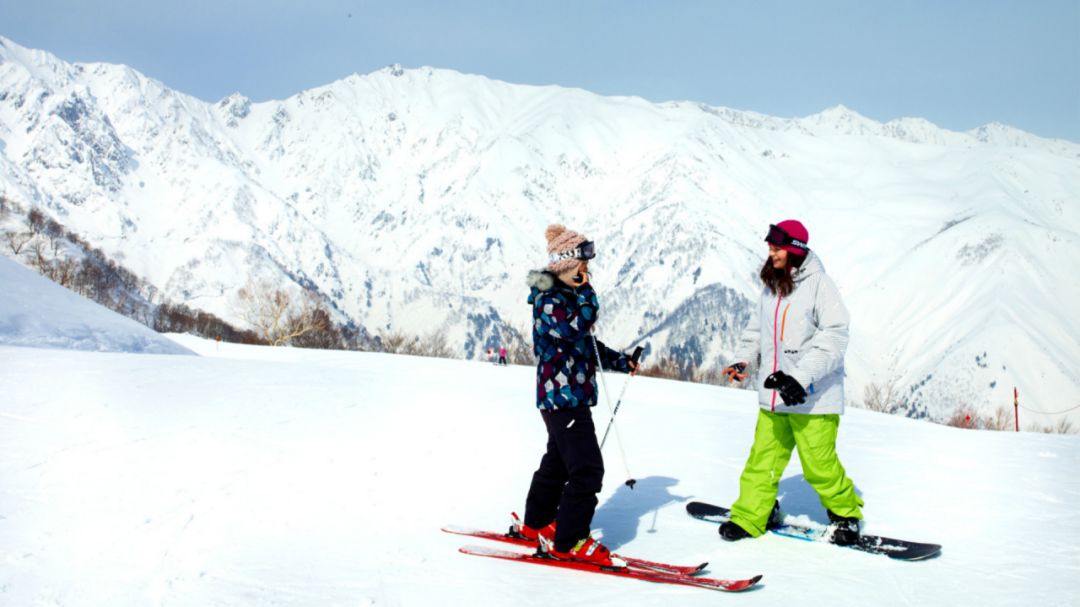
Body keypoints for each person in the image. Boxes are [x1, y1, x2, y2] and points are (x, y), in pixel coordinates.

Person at [719, 220, 864, 546]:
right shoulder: (773, 286)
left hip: (813, 399)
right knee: (762, 460)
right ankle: (753, 514)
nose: (770, 251)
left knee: (818, 465)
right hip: (774, 396)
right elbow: (757, 331)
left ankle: (845, 514)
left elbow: (834, 338)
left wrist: (800, 379)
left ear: (795, 250)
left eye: (777, 246)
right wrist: (742, 360)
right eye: (770, 245)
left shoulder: (819, 286)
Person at [510, 224, 639, 567]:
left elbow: (586, 345)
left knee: (557, 463)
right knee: (587, 470)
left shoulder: (565, 298)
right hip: (562, 399)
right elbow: (575, 328)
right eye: (583, 268)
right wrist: (588, 296)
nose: (587, 274)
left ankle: (535, 524)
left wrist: (620, 361)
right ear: (566, 266)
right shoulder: (550, 301)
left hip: (567, 399)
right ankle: (569, 542)